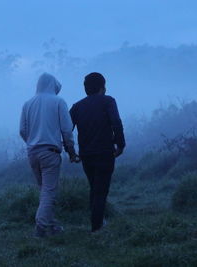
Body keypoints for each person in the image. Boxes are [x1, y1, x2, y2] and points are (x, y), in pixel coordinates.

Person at [19, 73, 79, 238]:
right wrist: (71, 152)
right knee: (49, 191)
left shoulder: (28, 103)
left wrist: (32, 142)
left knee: (45, 190)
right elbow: (67, 130)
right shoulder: (58, 102)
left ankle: (52, 226)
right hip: (50, 153)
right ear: (53, 86)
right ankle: (40, 227)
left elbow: (22, 130)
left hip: (32, 153)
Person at [70, 72, 126, 232]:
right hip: (104, 152)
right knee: (101, 190)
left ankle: (96, 221)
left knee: (94, 187)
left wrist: (71, 151)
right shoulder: (108, 101)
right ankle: (97, 226)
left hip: (86, 155)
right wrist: (120, 144)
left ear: (86, 89)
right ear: (102, 87)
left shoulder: (77, 106)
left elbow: (66, 129)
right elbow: (116, 122)